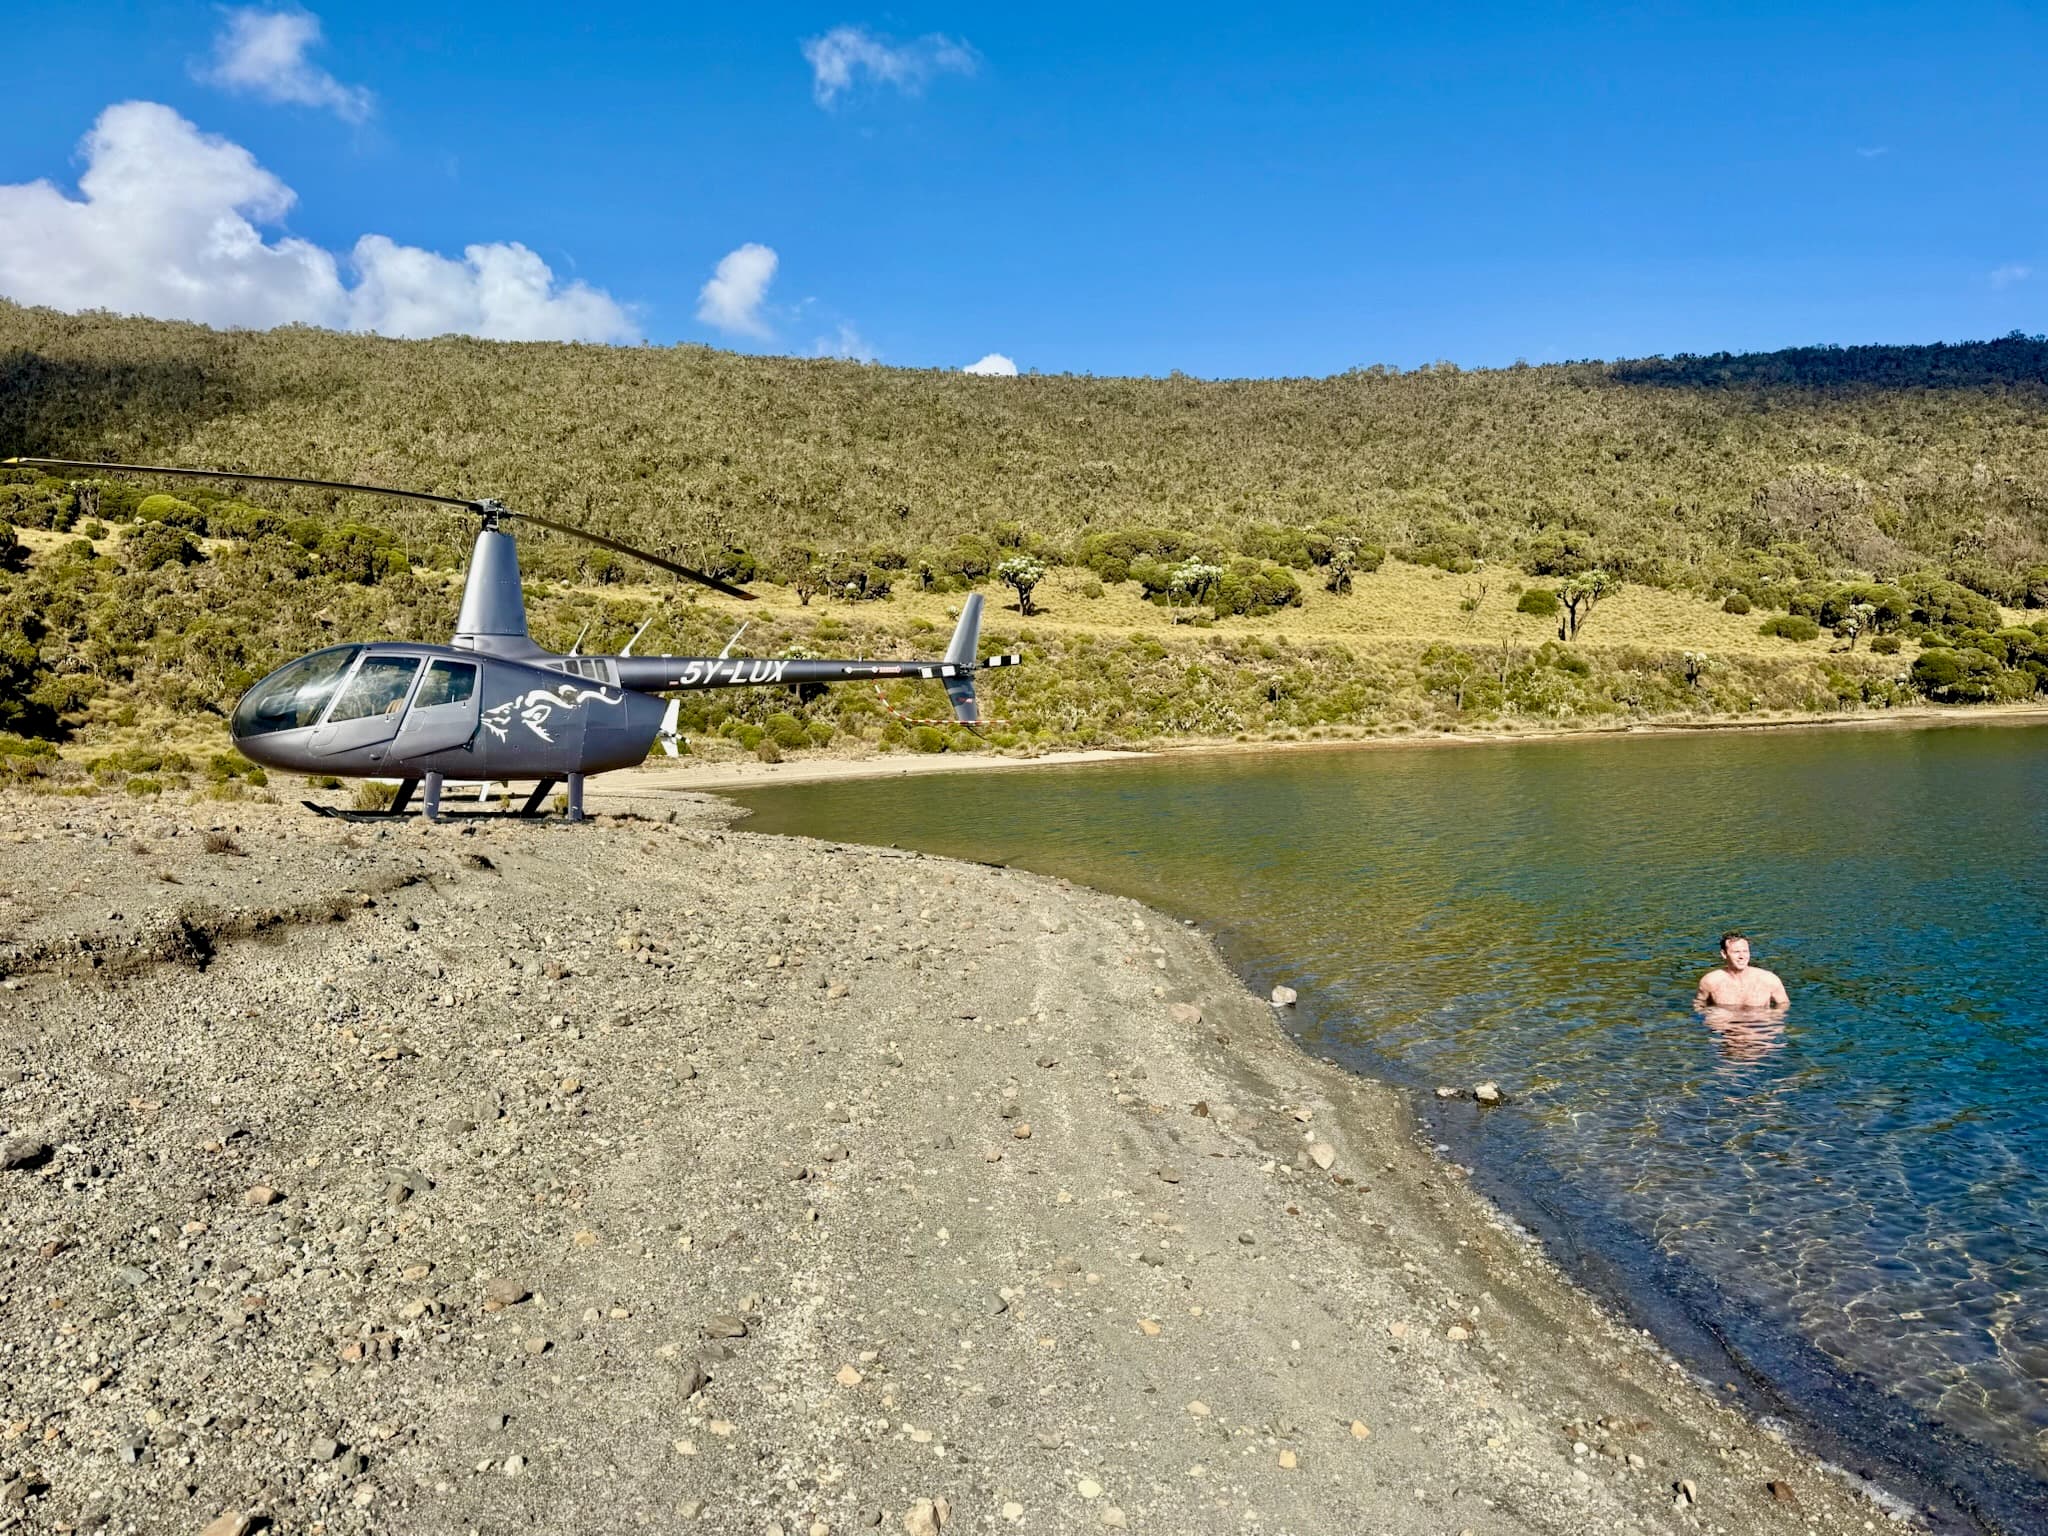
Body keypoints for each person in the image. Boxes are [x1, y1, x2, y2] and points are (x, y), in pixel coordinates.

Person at [1694, 931, 1789, 1011]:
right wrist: (1708, 1014)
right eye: (1736, 952)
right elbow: (1699, 1005)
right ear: (1724, 954)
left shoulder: (1769, 980)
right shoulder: (1710, 981)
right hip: (1725, 1027)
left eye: (1745, 951)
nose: (1742, 956)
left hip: (1758, 1027)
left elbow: (1783, 1005)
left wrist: (1773, 1017)